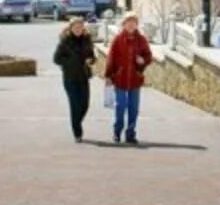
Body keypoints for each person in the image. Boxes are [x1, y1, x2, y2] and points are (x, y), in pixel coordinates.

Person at [104, 11, 154, 144]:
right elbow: (111, 58)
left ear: (137, 24)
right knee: (120, 106)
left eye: (134, 22)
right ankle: (117, 132)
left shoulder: (141, 40)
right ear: (124, 24)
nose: (131, 25)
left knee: (133, 108)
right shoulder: (118, 39)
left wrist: (143, 60)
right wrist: (109, 75)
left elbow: (149, 56)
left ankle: (130, 133)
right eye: (128, 22)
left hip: (135, 79)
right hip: (120, 79)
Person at [53, 17, 95, 142]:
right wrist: (71, 61)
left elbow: (92, 56)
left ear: (83, 28)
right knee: (75, 105)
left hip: (83, 77)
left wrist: (91, 60)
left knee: (85, 105)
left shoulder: (87, 40)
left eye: (80, 27)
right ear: (71, 28)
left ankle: (77, 122)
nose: (78, 29)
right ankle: (77, 132)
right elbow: (56, 59)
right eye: (75, 27)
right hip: (70, 78)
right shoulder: (65, 41)